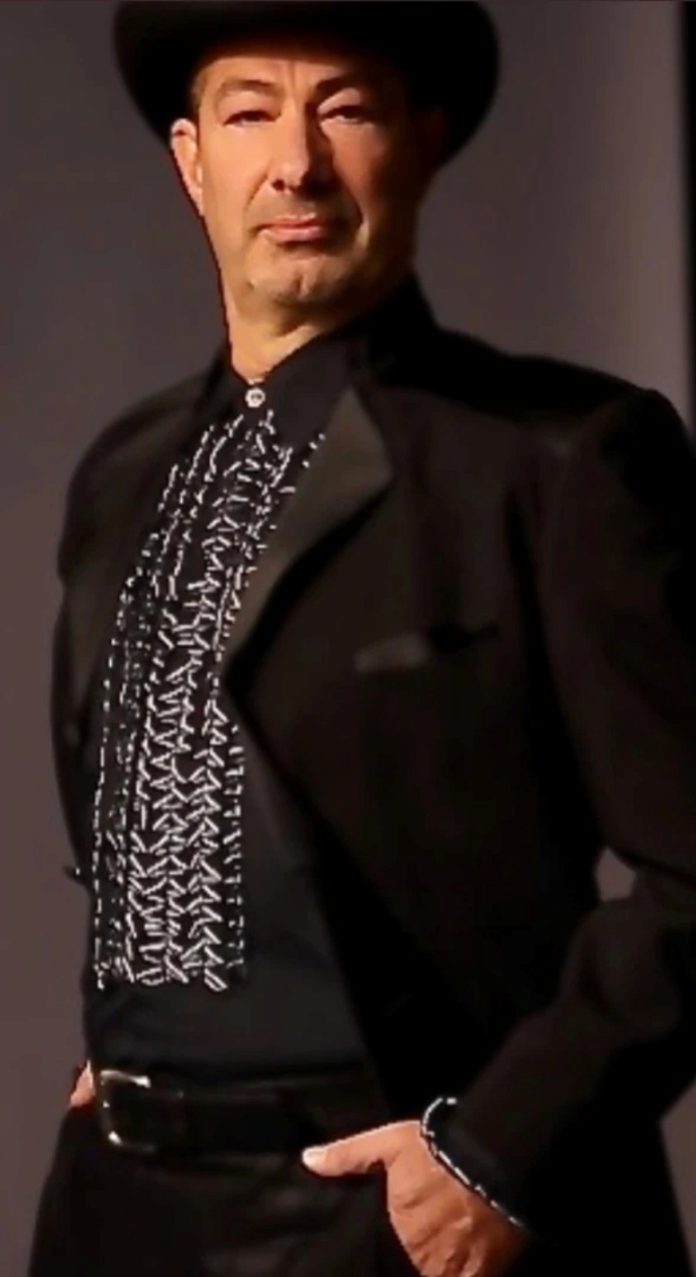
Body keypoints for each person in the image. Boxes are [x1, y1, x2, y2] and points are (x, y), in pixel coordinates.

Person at [28, 1, 696, 1275]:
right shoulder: (122, 475)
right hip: (117, 1210)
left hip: (400, 1216)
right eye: (249, 113)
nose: (296, 162)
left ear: (422, 141)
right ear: (190, 160)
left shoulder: (561, 460)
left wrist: (497, 1153)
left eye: (344, 108)